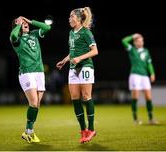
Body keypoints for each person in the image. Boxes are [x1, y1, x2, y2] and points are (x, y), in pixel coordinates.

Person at [56, 7, 98, 143]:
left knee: (86, 97)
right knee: (74, 98)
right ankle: (83, 130)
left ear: (79, 19)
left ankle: (91, 129)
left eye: (72, 17)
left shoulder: (86, 32)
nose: (69, 19)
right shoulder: (71, 33)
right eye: (69, 17)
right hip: (73, 68)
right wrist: (64, 60)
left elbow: (95, 51)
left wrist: (80, 58)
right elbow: (73, 52)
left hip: (85, 67)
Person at [10, 16, 51, 143]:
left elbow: (47, 27)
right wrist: (18, 25)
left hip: (39, 72)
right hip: (27, 72)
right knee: (33, 102)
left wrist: (30, 21)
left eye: (25, 22)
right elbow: (13, 36)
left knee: (37, 104)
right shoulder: (16, 38)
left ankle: (29, 131)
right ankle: (29, 132)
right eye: (21, 23)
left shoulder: (34, 34)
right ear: (17, 25)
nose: (25, 24)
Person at [122, 33, 159, 125]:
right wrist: (133, 36)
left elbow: (149, 63)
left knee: (148, 97)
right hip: (135, 75)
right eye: (138, 41)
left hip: (145, 76)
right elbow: (124, 41)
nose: (141, 42)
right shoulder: (132, 49)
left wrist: (152, 73)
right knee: (135, 97)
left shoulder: (146, 51)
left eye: (142, 40)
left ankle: (151, 119)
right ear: (135, 42)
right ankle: (135, 119)